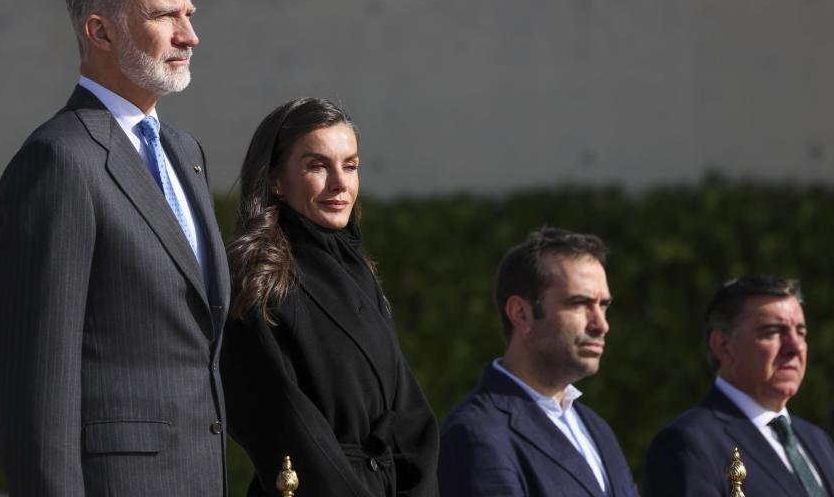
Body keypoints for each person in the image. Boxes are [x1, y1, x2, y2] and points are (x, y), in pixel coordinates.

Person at [0, 0, 230, 496]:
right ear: (100, 31)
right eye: (165, 15)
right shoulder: (58, 160)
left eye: (188, 15)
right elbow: (35, 380)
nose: (189, 35)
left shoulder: (185, 153)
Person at [220, 97, 440, 497]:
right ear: (275, 180)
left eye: (351, 165)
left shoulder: (359, 272)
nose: (341, 183)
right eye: (318, 165)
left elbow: (410, 416)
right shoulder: (258, 280)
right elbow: (286, 424)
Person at [438, 228, 638, 497]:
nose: (601, 324)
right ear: (521, 314)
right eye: (580, 303)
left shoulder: (597, 428)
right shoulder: (476, 433)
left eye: (603, 306)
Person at [643, 275, 834, 496]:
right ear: (723, 346)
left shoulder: (818, 440)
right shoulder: (688, 444)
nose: (794, 347)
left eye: (801, 332)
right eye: (772, 331)